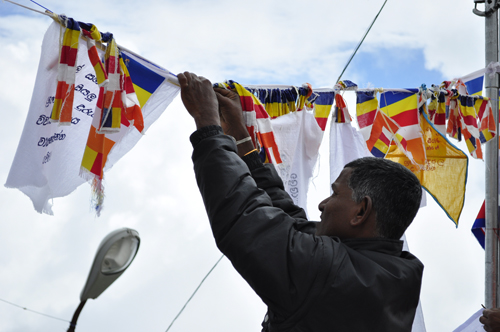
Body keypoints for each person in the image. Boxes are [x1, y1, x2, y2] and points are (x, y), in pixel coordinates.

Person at [179, 71, 424, 331]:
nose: (322, 205)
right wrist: (241, 137)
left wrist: (207, 124)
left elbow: (245, 216)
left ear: (361, 211)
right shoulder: (391, 275)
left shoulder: (330, 275)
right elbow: (289, 221)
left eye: (335, 194)